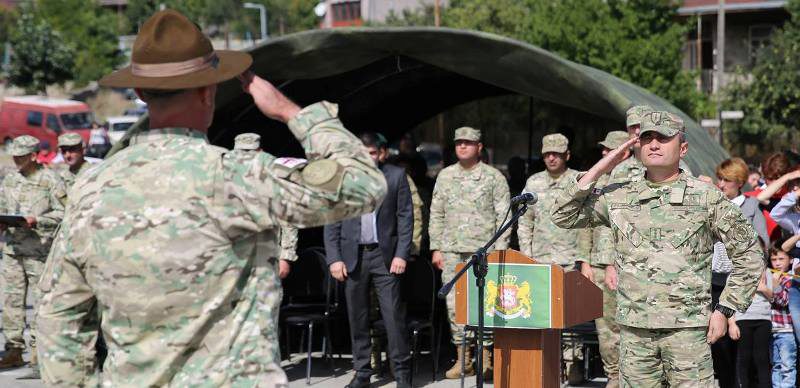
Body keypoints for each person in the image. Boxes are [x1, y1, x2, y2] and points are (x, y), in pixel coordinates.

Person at [36, 9, 386, 387]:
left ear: (139, 94)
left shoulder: (91, 187)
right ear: (209, 90)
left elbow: (59, 317)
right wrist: (290, 112)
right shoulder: (237, 176)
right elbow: (363, 185)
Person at [551, 110, 763, 387]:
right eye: (647, 137)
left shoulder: (705, 197)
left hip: (687, 333)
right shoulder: (619, 195)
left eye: (663, 138)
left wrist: (725, 309)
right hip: (635, 334)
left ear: (683, 147)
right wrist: (603, 166)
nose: (653, 144)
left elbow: (750, 254)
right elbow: (561, 214)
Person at [324, 132, 413, 388]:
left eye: (372, 152)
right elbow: (331, 220)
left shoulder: (396, 177)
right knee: (357, 317)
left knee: (393, 317)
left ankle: (402, 373)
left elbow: (405, 218)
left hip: (385, 257)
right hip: (353, 257)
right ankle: (362, 372)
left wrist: (401, 254)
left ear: (382, 154)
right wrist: (334, 259)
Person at [429, 126, 510, 379]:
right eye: (459, 143)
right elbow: (437, 212)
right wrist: (436, 247)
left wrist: (500, 249)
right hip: (452, 250)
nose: (462, 146)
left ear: (479, 147)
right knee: (454, 306)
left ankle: (485, 356)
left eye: (468, 142)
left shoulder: (493, 177)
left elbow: (504, 216)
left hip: (482, 252)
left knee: (485, 305)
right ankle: (463, 357)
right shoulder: (445, 175)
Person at [0, 135, 66, 378]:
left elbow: (64, 213)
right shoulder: (10, 179)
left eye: (21, 155)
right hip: (12, 250)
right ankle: (13, 349)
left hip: (39, 251)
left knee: (41, 304)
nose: (17, 159)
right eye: (15, 155)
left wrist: (38, 221)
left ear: (34, 155)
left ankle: (39, 354)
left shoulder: (51, 180)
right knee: (11, 302)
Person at [704, 157, 770, 387]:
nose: (720, 184)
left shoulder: (751, 208)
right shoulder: (713, 203)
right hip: (714, 282)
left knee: (743, 347)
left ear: (739, 181)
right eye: (719, 178)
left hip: (740, 283)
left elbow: (763, 245)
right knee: (719, 344)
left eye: (726, 180)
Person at [578, 130, 629, 388]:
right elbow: (586, 223)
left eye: (609, 150)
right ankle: (614, 376)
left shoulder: (635, 179)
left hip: (629, 265)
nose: (603, 153)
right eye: (604, 149)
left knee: (630, 325)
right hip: (598, 263)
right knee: (605, 327)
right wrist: (585, 261)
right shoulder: (597, 180)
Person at [726, 239, 771, 388]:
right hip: (743, 319)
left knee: (762, 358)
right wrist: (731, 323)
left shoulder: (768, 272)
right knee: (743, 357)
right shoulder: (735, 272)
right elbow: (728, 300)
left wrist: (763, 288)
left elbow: (775, 296)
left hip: (763, 319)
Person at [610, 105, 693, 183]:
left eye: (641, 126)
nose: (637, 131)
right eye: (633, 126)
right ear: (627, 130)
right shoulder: (619, 169)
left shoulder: (677, 167)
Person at [768, 241, 796, 388]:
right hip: (771, 329)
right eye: (773, 259)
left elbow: (784, 300)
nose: (777, 263)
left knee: (787, 366)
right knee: (776, 365)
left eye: (781, 259)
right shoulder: (770, 276)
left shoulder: (790, 279)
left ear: (790, 259)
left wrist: (775, 285)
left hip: (786, 330)